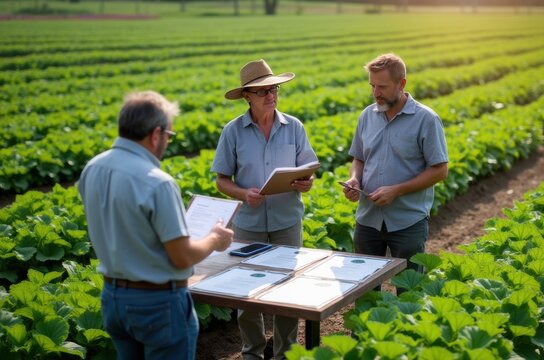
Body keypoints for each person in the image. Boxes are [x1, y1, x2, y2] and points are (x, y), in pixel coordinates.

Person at [78, 91, 234, 360]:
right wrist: (214, 239)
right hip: (157, 303)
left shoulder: (93, 168)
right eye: (169, 136)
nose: (167, 143)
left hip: (113, 297)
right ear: (155, 134)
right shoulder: (157, 182)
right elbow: (182, 255)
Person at [212, 59, 318, 360]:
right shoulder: (232, 131)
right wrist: (243, 193)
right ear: (247, 95)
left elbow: (307, 169)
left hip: (287, 220)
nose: (271, 95)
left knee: (288, 290)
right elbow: (221, 180)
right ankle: (252, 353)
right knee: (247, 292)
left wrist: (305, 182)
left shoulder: (294, 127)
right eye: (263, 91)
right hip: (248, 222)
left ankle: (286, 353)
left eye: (274, 89)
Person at [343, 53, 449, 282]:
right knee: (364, 289)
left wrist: (397, 190)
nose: (375, 93)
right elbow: (359, 158)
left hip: (407, 221)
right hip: (367, 219)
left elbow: (440, 170)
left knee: (409, 289)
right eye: (372, 86)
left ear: (402, 84)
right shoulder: (366, 116)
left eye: (382, 86)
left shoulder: (426, 119)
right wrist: (354, 180)